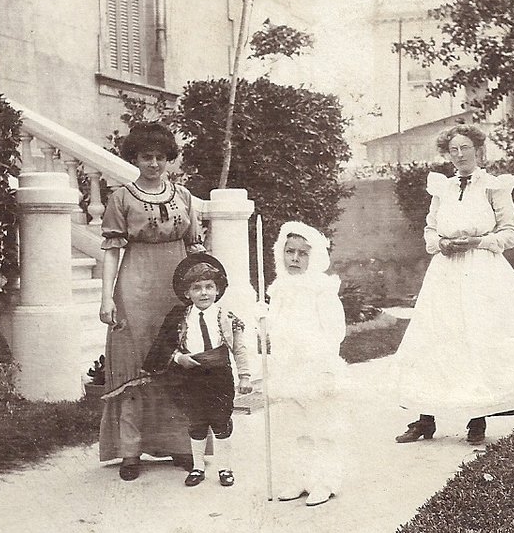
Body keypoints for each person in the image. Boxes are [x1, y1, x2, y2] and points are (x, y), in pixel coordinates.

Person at [394, 123, 514, 446]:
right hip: (445, 272)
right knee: (433, 341)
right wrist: (439, 244)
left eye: (465, 148)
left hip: (481, 273)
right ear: (447, 155)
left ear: (478, 150)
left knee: (476, 340)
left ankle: (477, 420)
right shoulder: (442, 188)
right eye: (453, 150)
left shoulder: (493, 186)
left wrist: (479, 241)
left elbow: (510, 233)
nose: (459, 155)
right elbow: (430, 230)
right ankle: (425, 418)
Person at [98, 122, 205, 481]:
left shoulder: (183, 196)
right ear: (135, 158)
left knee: (178, 362)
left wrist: (206, 292)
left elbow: (196, 247)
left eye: (161, 157)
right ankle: (130, 451)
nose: (154, 164)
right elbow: (111, 251)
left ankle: (180, 445)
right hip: (135, 287)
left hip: (176, 286)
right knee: (135, 367)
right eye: (147, 157)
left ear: (168, 159)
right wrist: (106, 298)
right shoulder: (122, 198)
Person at [142, 253, 253, 488]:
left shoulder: (226, 317)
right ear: (187, 293)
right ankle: (197, 467)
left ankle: (225, 468)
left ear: (218, 289)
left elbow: (239, 348)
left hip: (219, 374)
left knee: (221, 421)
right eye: (196, 288)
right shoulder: (180, 316)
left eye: (209, 287)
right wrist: (179, 358)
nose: (203, 293)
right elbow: (164, 345)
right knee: (196, 422)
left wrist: (244, 375)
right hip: (191, 376)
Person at [262, 221, 346, 506]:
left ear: (315, 257)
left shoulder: (321, 289)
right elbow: (275, 329)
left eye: (302, 253)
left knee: (321, 426)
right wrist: (263, 318)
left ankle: (325, 480)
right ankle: (301, 478)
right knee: (294, 426)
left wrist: (326, 367)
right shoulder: (280, 288)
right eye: (289, 252)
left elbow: (335, 331)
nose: (295, 259)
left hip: (315, 366)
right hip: (288, 366)